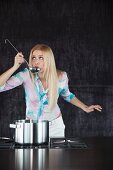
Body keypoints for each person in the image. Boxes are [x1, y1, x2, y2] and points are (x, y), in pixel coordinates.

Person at [0, 44, 102, 137]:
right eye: (33, 57)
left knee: (55, 158)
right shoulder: (26, 75)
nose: (36, 61)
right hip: (32, 127)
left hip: (55, 126)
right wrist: (15, 67)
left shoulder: (61, 76)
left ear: (49, 59)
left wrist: (85, 107)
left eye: (41, 58)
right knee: (32, 157)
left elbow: (67, 95)